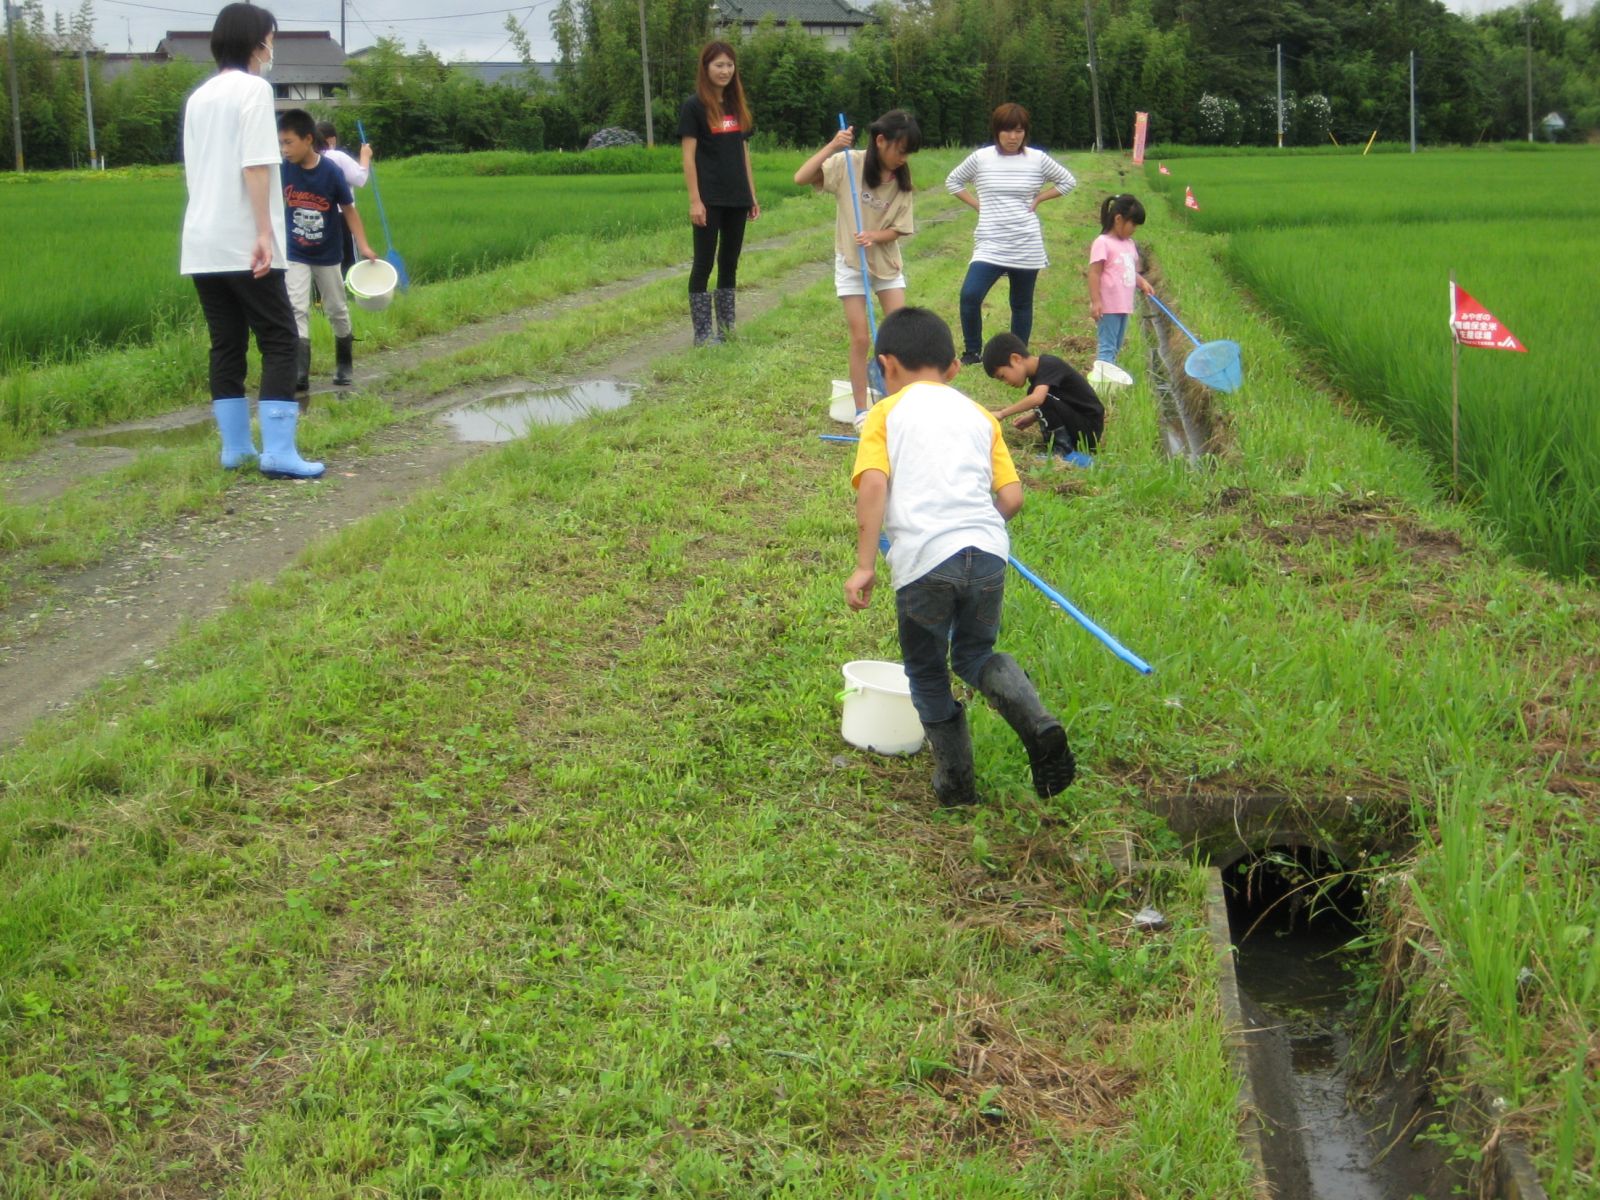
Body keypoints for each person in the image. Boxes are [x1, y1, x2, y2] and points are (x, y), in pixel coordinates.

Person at [844, 307, 1076, 807]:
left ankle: (956, 784)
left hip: (926, 562)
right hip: (989, 553)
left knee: (927, 672)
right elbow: (1012, 499)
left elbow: (875, 485)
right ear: (951, 366)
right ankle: (1036, 721)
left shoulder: (885, 414)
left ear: (885, 366)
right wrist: (976, 526)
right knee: (974, 655)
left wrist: (865, 565)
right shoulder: (977, 415)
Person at [180, 3, 322, 479]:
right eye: (271, 37)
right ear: (256, 41)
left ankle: (237, 449)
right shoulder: (254, 89)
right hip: (246, 240)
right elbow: (257, 165)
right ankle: (279, 451)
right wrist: (264, 233)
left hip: (201, 241)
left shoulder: (199, 97)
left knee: (226, 343)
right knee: (279, 337)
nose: (272, 46)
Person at [795, 110, 922, 428]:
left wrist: (875, 236)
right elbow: (802, 177)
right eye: (901, 150)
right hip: (851, 263)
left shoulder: (902, 183)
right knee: (861, 338)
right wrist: (833, 146)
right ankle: (862, 411)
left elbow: (899, 229)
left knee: (897, 335)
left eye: (909, 153)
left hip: (887, 264)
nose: (904, 158)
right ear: (881, 141)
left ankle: (898, 402)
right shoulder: (848, 164)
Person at [945, 103, 1076, 365]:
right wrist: (977, 205)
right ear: (997, 131)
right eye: (1007, 131)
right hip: (990, 242)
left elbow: (1068, 181)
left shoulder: (1037, 159)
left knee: (1021, 303)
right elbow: (953, 182)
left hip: (1025, 242)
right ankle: (973, 352)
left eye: (1019, 131)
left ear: (1025, 132)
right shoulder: (981, 158)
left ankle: (1018, 356)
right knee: (970, 295)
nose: (1013, 137)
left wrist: (1040, 198)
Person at [278, 108, 377, 397]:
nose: (284, 149)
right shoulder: (284, 169)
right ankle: (300, 372)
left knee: (336, 308)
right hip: (295, 250)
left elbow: (349, 210)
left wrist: (364, 245)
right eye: (281, 143)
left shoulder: (331, 172)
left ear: (308, 139)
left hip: (327, 253)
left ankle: (344, 362)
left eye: (289, 142)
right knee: (296, 307)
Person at [678, 42, 759, 346]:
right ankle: (702, 334)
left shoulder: (737, 105)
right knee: (703, 263)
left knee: (730, 261)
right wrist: (695, 200)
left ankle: (726, 331)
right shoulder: (694, 106)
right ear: (706, 69)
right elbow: (688, 158)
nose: (725, 71)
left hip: (737, 196)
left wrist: (751, 194)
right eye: (719, 65)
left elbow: (743, 152)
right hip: (709, 198)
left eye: (729, 65)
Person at [981, 331, 1103, 456]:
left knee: (1038, 397)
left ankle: (1063, 450)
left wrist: (1002, 413)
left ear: (1016, 359)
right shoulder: (1039, 378)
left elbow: (1038, 399)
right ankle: (1058, 445)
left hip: (1089, 428)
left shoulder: (1049, 365)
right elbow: (1063, 402)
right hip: (1081, 426)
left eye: (1002, 376)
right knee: (1035, 394)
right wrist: (1034, 416)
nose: (1005, 382)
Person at [1088, 194, 1153, 371]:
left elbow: (1128, 270)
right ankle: (1102, 385)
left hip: (1123, 306)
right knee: (1107, 348)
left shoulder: (1129, 244)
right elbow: (1094, 273)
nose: (1134, 230)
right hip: (1108, 306)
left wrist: (1142, 282)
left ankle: (1109, 382)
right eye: (1133, 224)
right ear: (1118, 219)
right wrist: (1096, 301)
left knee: (1115, 347)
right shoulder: (1102, 243)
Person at [314, 120, 372, 189]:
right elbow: (360, 178)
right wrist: (365, 156)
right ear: (333, 139)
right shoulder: (337, 156)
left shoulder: (307, 157)